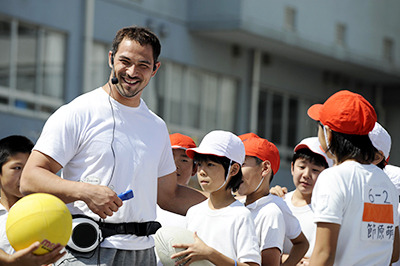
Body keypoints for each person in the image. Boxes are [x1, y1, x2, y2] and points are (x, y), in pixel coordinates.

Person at [19, 26, 206, 265]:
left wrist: (227, 207)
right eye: (124, 61)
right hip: (84, 251)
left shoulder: (156, 126)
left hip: (143, 254)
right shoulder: (78, 112)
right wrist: (84, 192)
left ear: (155, 69)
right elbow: (30, 178)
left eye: (143, 65)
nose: (131, 72)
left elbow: (170, 194)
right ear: (110, 59)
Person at [307, 90, 399, 266]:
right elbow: (394, 253)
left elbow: (323, 254)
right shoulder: (387, 183)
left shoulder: (334, 177)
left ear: (329, 133)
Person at [171, 130, 261, 266]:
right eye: (200, 164)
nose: (201, 171)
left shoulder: (241, 215)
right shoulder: (194, 212)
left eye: (210, 165)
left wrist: (210, 254)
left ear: (234, 169)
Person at [237, 136, 309, 266]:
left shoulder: (274, 207)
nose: (235, 171)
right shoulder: (237, 205)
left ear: (265, 169)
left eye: (242, 164)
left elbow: (302, 243)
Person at [0, 135, 66, 265]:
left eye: (29, 169)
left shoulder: (45, 211)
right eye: (17, 168)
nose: (25, 176)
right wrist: (9, 261)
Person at [280, 137, 332, 265]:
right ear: (292, 168)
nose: (306, 175)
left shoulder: (329, 208)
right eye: (302, 167)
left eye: (315, 170)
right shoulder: (280, 202)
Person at [156, 133, 198, 228]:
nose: (175, 166)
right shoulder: (145, 198)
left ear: (194, 169)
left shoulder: (201, 205)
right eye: (169, 158)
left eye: (184, 160)